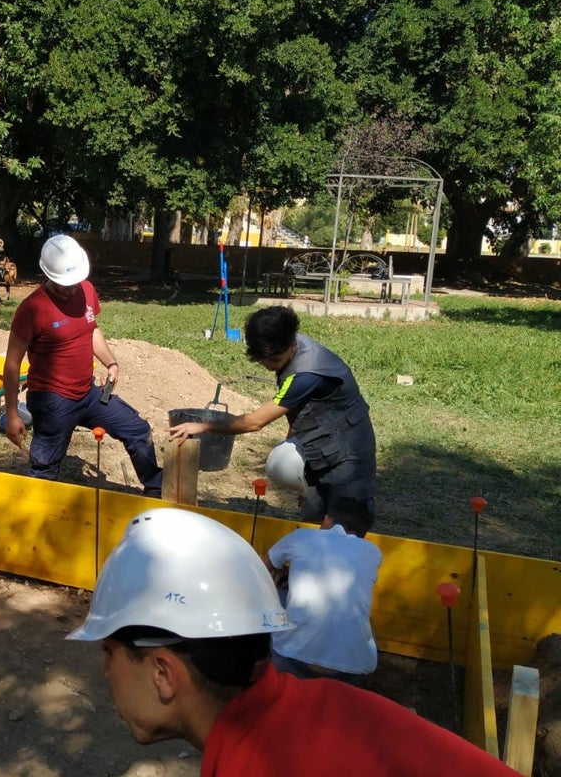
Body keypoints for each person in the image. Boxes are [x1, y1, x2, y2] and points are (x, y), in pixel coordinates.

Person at [67, 507, 519, 776]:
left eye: (109, 652)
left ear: (164, 674)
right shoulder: (331, 704)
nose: (105, 670)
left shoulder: (262, 765)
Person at [167, 305, 376, 526]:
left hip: (349, 450)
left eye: (274, 360)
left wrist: (205, 425)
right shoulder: (287, 343)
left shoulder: (306, 373)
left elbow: (255, 422)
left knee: (345, 527)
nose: (268, 365)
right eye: (262, 360)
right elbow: (301, 409)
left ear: (291, 344)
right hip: (319, 445)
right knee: (312, 520)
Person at [2, 235, 162, 495]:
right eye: (65, 284)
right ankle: (36, 517)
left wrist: (110, 362)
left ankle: (156, 492)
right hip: (52, 400)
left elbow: (91, 330)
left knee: (138, 430)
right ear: (49, 275)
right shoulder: (32, 309)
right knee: (45, 467)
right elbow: (11, 364)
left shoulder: (86, 289)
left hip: (88, 393)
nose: (72, 288)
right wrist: (11, 413)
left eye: (75, 281)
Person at [264, 496, 383, 682]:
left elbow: (262, 568)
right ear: (363, 534)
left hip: (292, 658)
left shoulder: (301, 536)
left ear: (327, 519)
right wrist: (293, 573)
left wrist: (285, 573)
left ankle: (273, 678)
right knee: (362, 621)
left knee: (274, 592)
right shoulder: (373, 552)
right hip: (352, 669)